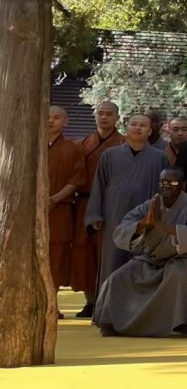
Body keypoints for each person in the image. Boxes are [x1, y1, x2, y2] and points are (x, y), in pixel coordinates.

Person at [92, 168, 187, 336]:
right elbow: (122, 229)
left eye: (171, 183)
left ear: (183, 186)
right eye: (162, 182)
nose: (165, 186)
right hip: (151, 259)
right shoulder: (151, 204)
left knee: (178, 275)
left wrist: (160, 225)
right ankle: (113, 322)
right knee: (118, 277)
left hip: (185, 259)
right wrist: (144, 224)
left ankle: (183, 323)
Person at [86, 113, 170, 295]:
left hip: (146, 217)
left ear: (150, 130)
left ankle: (137, 312)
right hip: (114, 214)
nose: (138, 128)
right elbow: (99, 185)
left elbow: (165, 191)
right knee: (112, 260)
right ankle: (106, 310)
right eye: (134, 124)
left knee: (141, 260)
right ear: (126, 127)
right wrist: (95, 215)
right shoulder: (110, 155)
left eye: (143, 125)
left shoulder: (159, 157)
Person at [73, 100, 124, 317]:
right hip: (84, 203)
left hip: (113, 205)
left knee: (109, 251)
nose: (104, 117)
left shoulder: (123, 144)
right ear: (95, 116)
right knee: (84, 251)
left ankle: (109, 299)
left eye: (109, 114)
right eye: (100, 113)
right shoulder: (83, 143)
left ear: (117, 117)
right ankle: (90, 301)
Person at [48, 106, 88, 303]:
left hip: (59, 209)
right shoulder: (29, 145)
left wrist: (54, 198)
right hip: (28, 211)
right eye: (47, 117)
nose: (51, 121)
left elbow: (76, 180)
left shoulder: (73, 148)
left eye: (56, 118)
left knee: (56, 256)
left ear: (66, 121)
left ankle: (51, 304)